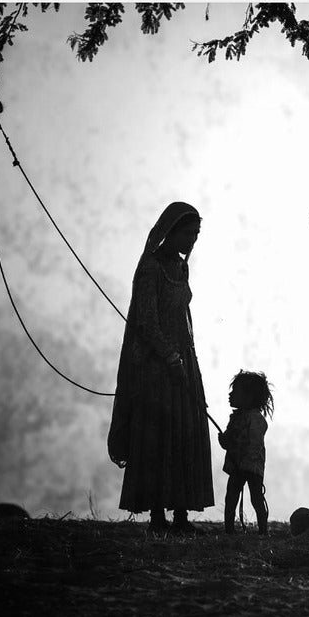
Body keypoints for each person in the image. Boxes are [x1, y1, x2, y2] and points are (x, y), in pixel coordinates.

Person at [108, 202, 214, 534]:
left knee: (184, 434)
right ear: (171, 232)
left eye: (197, 234)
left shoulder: (181, 269)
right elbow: (147, 322)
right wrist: (169, 357)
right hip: (155, 369)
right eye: (188, 233)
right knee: (156, 437)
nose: (192, 240)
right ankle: (157, 515)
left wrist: (184, 359)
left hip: (183, 363)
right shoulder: (150, 270)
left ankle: (181, 515)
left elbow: (185, 319)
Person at [219, 370, 274, 535]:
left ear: (249, 397)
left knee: (255, 498)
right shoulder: (235, 418)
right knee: (231, 497)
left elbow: (255, 444)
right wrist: (224, 441)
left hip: (250, 467)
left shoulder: (256, 419)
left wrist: (243, 460)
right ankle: (229, 530)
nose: (231, 394)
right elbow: (230, 441)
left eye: (235, 391)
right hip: (239, 466)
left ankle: (263, 530)